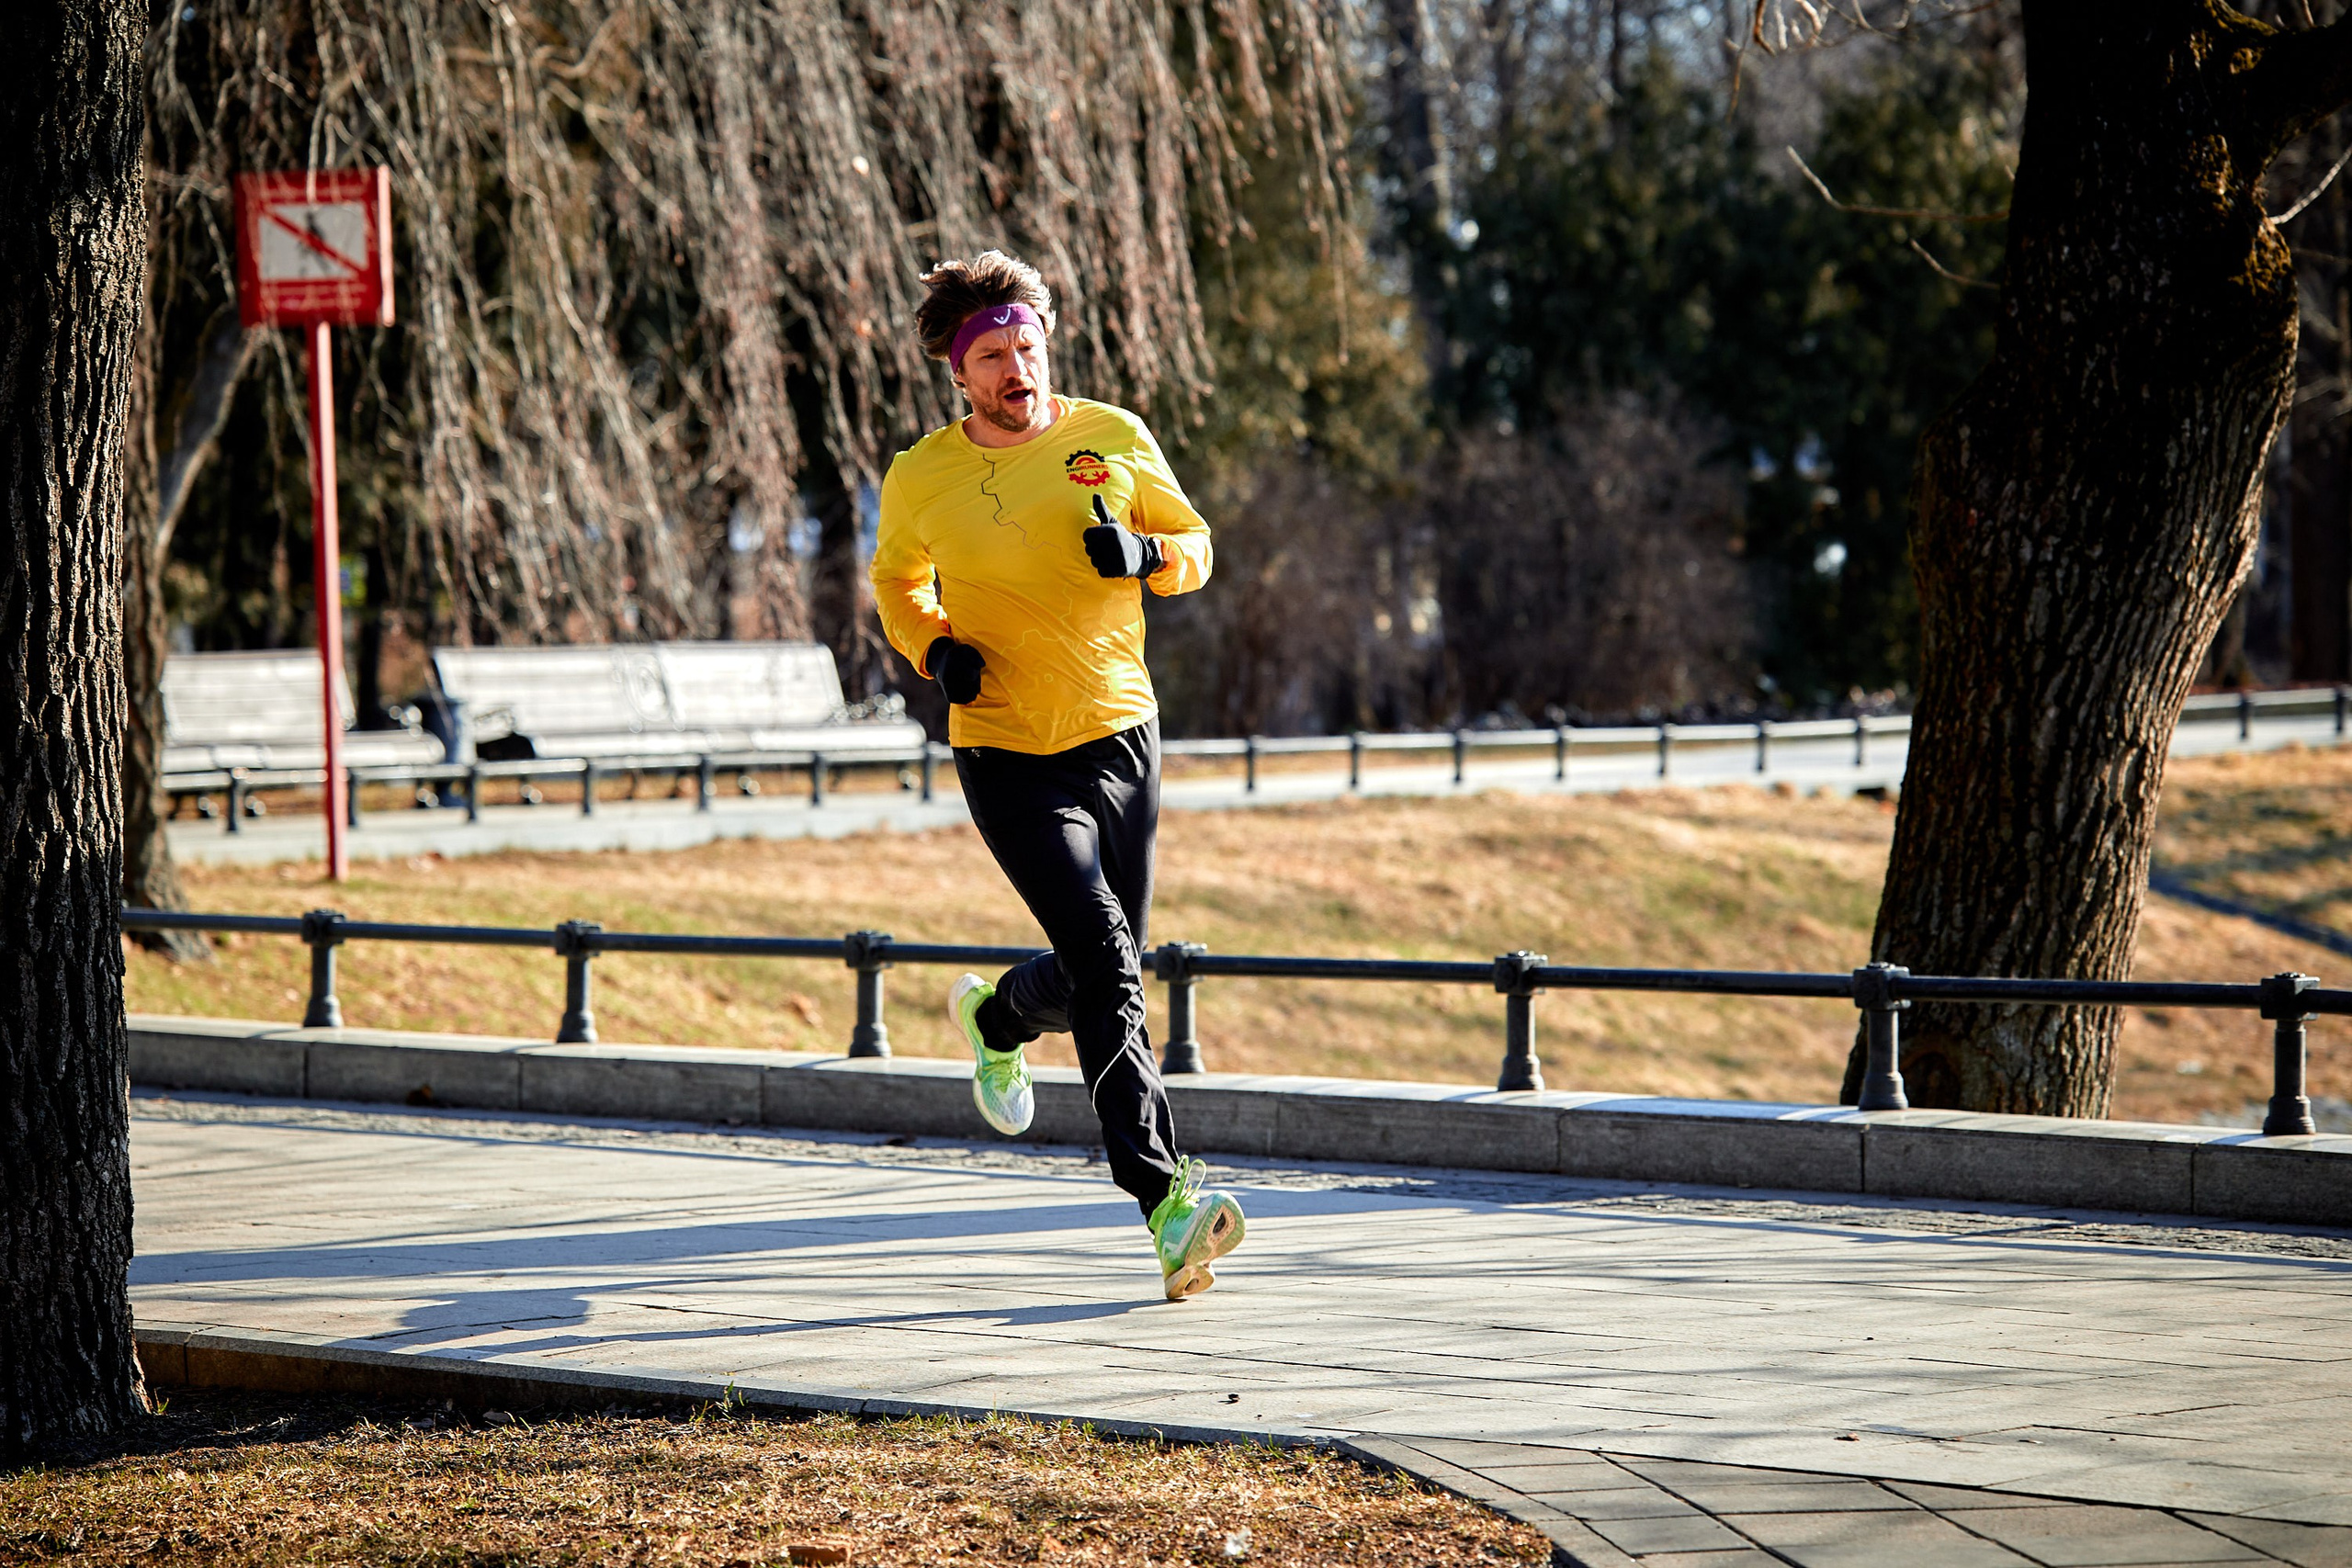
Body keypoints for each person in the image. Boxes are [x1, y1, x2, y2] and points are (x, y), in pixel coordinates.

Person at [869, 249, 1245, 1301]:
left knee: (1097, 971)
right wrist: (936, 651)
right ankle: (1168, 1203)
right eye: (992, 354)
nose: (1015, 366)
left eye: (1026, 345)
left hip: (1121, 730)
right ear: (959, 373)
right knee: (1113, 966)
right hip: (1004, 747)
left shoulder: (1111, 436)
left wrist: (1147, 557)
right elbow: (898, 582)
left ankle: (998, 1018)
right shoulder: (921, 475)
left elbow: (1197, 545)